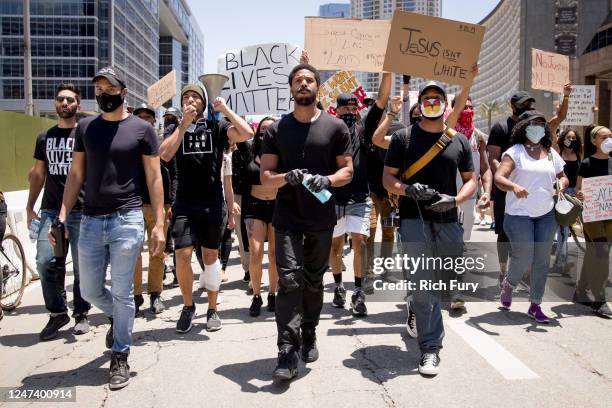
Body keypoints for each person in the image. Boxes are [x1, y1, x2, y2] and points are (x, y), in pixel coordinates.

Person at [52, 67, 166, 389]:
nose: (103, 93)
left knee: (122, 291)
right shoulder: (86, 128)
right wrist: (62, 214)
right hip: (89, 219)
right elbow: (76, 175)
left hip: (127, 219)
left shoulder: (143, 130)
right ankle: (119, 319)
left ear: (123, 91)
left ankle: (120, 354)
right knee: (88, 290)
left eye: (109, 88)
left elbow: (154, 178)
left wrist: (158, 223)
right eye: (98, 88)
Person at [260, 63, 353, 381]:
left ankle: (309, 331)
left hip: (321, 217)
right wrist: (288, 176)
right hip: (286, 217)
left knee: (314, 281)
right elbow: (267, 177)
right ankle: (286, 349)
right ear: (291, 88)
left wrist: (326, 181)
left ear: (317, 87)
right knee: (289, 280)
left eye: (309, 80)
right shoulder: (276, 130)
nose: (303, 84)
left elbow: (347, 172)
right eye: (298, 80)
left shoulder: (335, 128)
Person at [383, 80, 476, 376]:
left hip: (449, 221)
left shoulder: (458, 140)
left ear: (445, 105)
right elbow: (388, 179)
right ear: (420, 104)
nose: (432, 102)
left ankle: (418, 305)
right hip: (414, 221)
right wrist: (408, 190)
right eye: (427, 98)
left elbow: (472, 178)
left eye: (437, 98)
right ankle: (430, 348)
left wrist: (456, 199)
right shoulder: (403, 139)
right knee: (425, 285)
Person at [159, 84, 253, 334]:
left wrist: (225, 110)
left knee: (210, 257)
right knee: (182, 254)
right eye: (186, 97)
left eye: (195, 97)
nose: (190, 100)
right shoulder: (173, 128)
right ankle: (188, 306)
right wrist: (182, 125)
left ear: (204, 103)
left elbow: (246, 133)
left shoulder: (217, 127)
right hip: (184, 203)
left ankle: (212, 308)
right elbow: (165, 155)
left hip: (211, 202)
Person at [26, 83, 91, 341]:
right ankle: (57, 312)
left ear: (78, 105)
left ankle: (81, 313)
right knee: (45, 261)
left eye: (70, 100)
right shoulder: (44, 137)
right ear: (55, 104)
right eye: (60, 99)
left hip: (83, 209)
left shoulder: (85, 135)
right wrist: (31, 206)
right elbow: (39, 173)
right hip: (51, 209)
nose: (65, 103)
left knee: (82, 266)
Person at [494, 111, 568, 323]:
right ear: (524, 127)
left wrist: (562, 184)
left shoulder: (551, 153)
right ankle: (509, 284)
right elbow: (500, 177)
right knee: (524, 256)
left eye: (542, 124)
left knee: (542, 260)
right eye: (534, 123)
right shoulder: (514, 152)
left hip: (546, 214)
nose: (538, 127)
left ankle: (535, 304)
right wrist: (514, 186)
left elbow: (563, 176)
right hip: (518, 215)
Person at [328, 93, 371, 317]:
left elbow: (381, 104)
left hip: (360, 197)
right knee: (335, 247)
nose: (349, 112)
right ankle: (338, 287)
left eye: (353, 108)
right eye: (345, 108)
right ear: (337, 110)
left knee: (360, 244)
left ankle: (358, 291)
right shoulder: (330, 130)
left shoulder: (363, 129)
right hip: (334, 199)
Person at [487, 91, 535, 287]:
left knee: (527, 230)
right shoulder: (500, 127)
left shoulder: (533, 129)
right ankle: (503, 271)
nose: (527, 106)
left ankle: (524, 273)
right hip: (504, 190)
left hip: (527, 189)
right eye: (524, 103)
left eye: (529, 103)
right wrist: (506, 178)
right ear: (514, 105)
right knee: (504, 232)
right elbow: (492, 158)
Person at [132, 103, 171, 315]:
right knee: (133, 254)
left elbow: (168, 174)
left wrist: (169, 204)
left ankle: (156, 293)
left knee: (158, 252)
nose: (144, 119)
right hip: (132, 206)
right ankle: (136, 296)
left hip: (157, 206)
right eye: (139, 116)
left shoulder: (160, 144)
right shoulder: (127, 142)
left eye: (148, 116)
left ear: (154, 121)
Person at [575, 125, 612, 317]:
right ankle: (599, 299)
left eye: (610, 136)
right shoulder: (587, 164)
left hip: (609, 217)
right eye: (604, 137)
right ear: (594, 141)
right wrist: (580, 194)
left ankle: (581, 290)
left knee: (593, 252)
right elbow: (578, 189)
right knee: (601, 251)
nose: (608, 139)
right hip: (592, 215)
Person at [243, 117, 278, 316]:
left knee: (274, 255)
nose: (266, 132)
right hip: (255, 206)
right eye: (263, 129)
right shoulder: (249, 151)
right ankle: (257, 295)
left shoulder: (282, 153)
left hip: (275, 206)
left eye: (271, 129)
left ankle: (272, 293)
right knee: (256, 253)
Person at [451, 96, 492, 243]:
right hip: (447, 191)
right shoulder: (446, 133)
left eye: (470, 107)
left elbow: (485, 168)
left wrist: (486, 192)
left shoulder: (478, 136)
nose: (468, 111)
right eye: (464, 107)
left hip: (469, 192)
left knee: (468, 225)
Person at [552, 128, 582, 271]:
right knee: (562, 228)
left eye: (574, 138)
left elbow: (580, 176)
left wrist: (578, 190)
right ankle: (562, 259)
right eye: (568, 137)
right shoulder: (558, 153)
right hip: (560, 194)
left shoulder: (578, 154)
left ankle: (560, 256)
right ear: (563, 138)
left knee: (566, 229)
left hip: (573, 195)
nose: (570, 140)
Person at [232, 137, 252, 283]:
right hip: (239, 196)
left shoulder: (269, 151)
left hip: (261, 195)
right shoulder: (236, 154)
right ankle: (248, 269)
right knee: (242, 234)